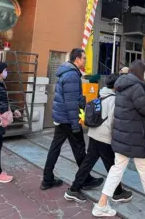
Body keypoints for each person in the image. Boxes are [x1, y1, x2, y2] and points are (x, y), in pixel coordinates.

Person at [92, 60, 145, 218]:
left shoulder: (121, 87)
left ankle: (101, 204)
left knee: (116, 169)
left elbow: (134, 108)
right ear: (140, 72)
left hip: (122, 135)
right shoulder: (136, 87)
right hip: (136, 137)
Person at [65, 75, 133, 203]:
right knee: (112, 166)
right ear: (117, 86)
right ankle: (117, 193)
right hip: (105, 138)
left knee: (87, 163)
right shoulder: (114, 100)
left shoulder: (101, 95)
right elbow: (114, 122)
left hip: (94, 135)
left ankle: (73, 189)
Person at [41, 48, 102, 190]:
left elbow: (71, 97)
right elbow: (70, 102)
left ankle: (47, 179)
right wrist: (75, 124)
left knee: (56, 148)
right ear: (77, 60)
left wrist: (81, 99)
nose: (85, 61)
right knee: (79, 148)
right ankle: (85, 179)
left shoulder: (67, 73)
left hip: (62, 118)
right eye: (84, 58)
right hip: (68, 119)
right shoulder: (72, 76)